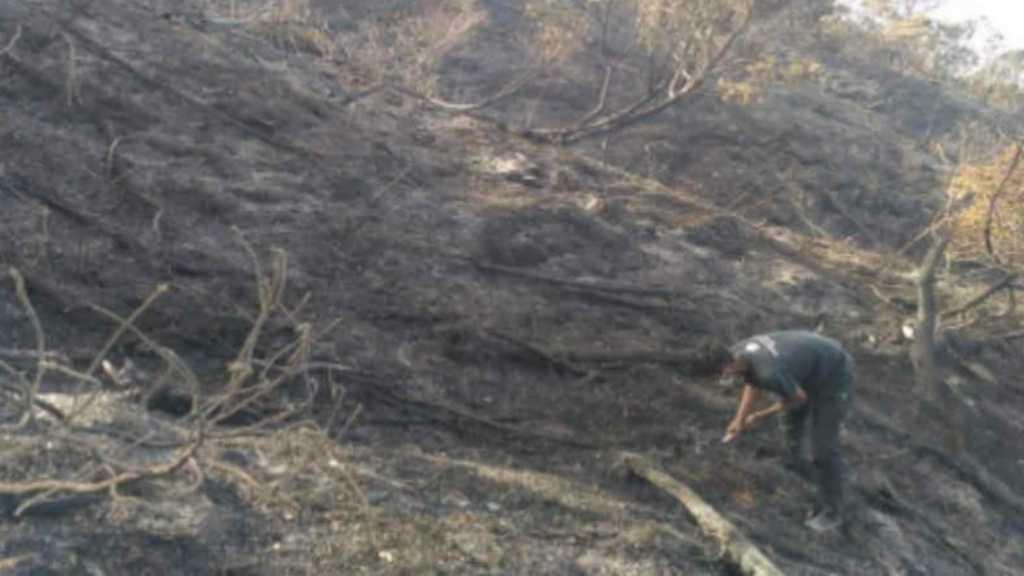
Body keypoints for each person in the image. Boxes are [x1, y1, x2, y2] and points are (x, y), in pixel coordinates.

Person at [719, 330, 855, 532]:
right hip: (808, 366)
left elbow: (798, 399)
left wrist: (760, 415)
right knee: (790, 425)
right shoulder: (738, 352)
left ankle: (833, 511)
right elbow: (752, 381)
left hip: (835, 375)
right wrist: (739, 419)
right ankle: (799, 469)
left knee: (823, 447)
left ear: (732, 364)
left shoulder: (769, 372)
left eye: (725, 373)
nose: (724, 377)